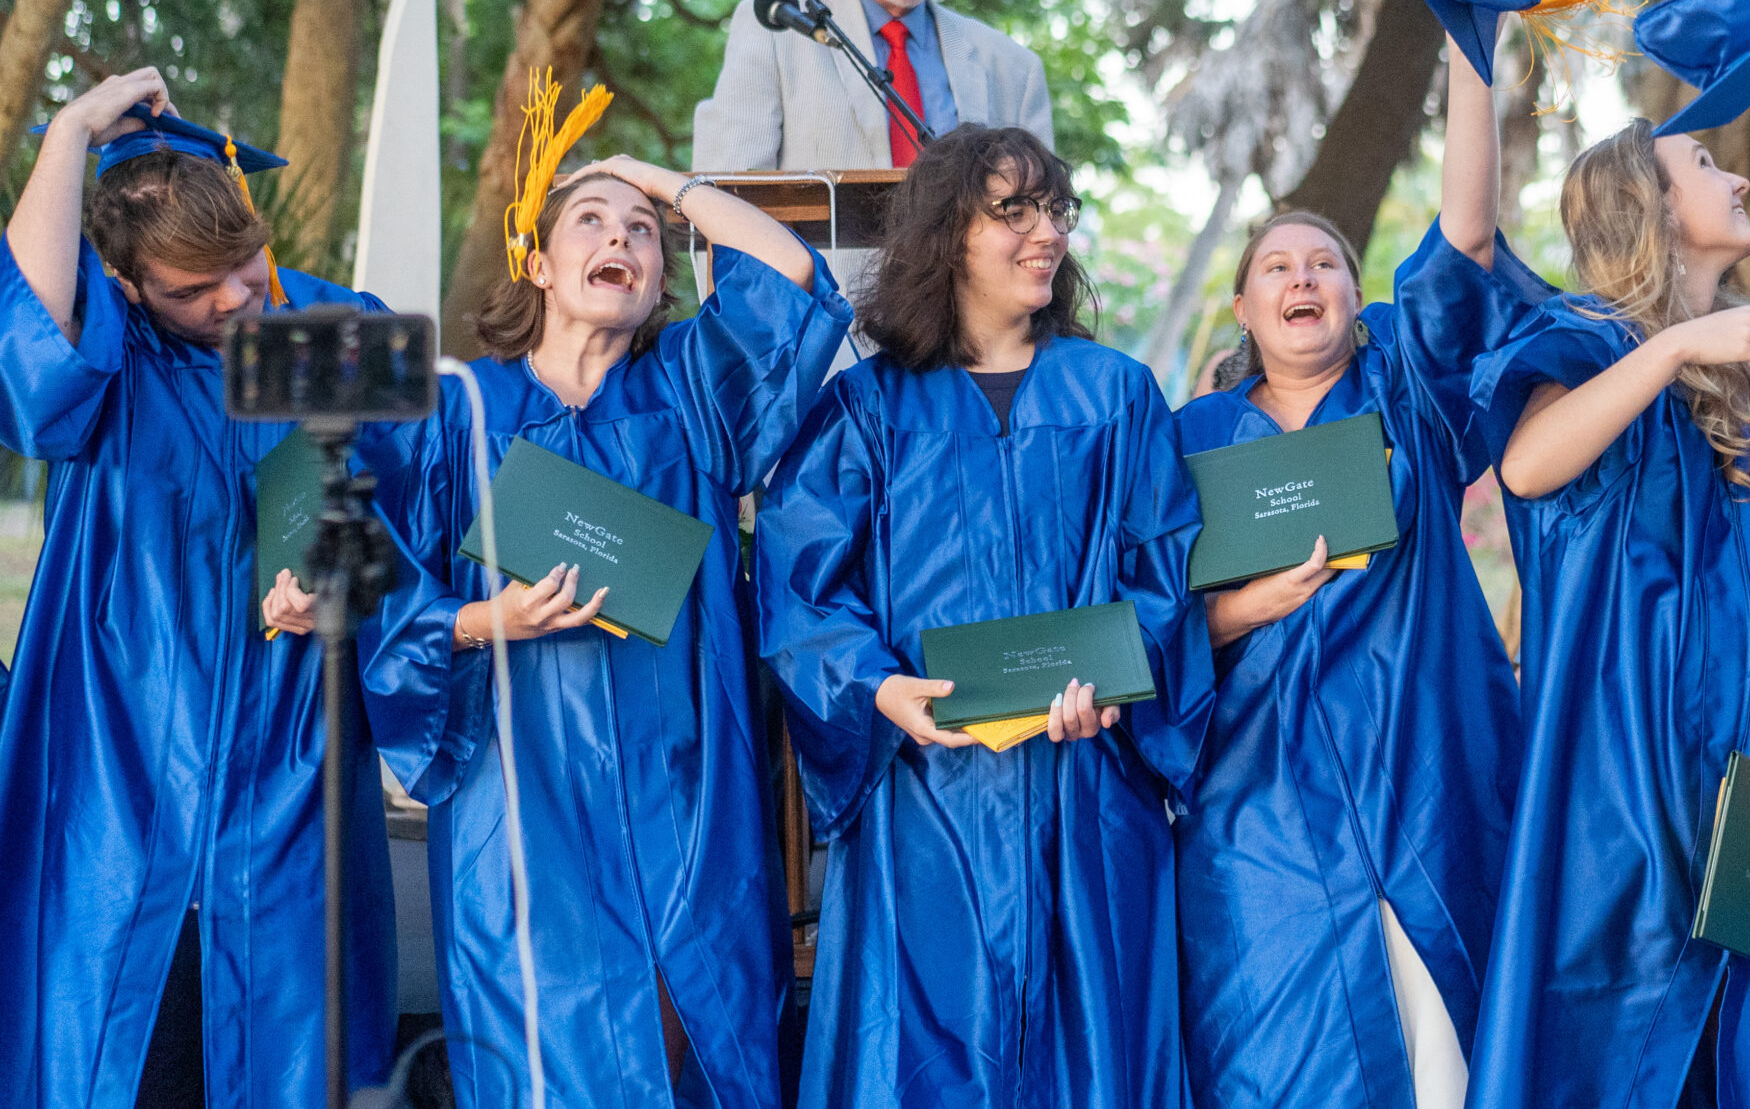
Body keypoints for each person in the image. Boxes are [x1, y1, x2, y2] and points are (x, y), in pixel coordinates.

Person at [358, 71, 851, 1107]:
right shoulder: (462, 407)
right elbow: (368, 575)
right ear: (536, 262)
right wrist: (485, 617)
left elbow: (797, 277)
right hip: (521, 800)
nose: (621, 237)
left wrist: (648, 176)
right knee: (546, 1058)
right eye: (590, 220)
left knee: (697, 1034)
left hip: (686, 787)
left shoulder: (690, 398)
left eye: (643, 232)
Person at [1467, 0, 1750, 1109]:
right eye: (1704, 163)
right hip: (1618, 768)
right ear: (1646, 208)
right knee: (1615, 1048)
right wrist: (1670, 350)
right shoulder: (1587, 339)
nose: (1735, 172)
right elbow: (1527, 467)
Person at [755, 123, 1214, 1109]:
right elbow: (801, 585)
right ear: (947, 234)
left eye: (1054, 210)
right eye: (1014, 210)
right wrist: (876, 687)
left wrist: (1120, 690)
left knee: (1089, 1057)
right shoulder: (868, 409)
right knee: (926, 1056)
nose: (1044, 231)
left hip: (1082, 794)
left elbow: (1163, 576)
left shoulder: (1116, 394)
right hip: (926, 802)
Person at [0, 67, 398, 1107]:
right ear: (127, 288)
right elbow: (30, 380)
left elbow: (409, 499)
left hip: (285, 739)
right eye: (190, 289)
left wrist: (342, 586)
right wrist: (77, 128)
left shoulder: (314, 325)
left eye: (243, 267)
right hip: (125, 723)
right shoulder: (111, 354)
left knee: (276, 1033)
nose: (230, 301)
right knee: (128, 1026)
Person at [1170, 0, 1535, 1109]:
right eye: (1276, 268)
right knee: (1274, 1064)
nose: (1301, 280)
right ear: (1243, 307)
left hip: (1423, 780)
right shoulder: (1187, 445)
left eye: (1324, 264)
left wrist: (1471, 38)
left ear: (1355, 297)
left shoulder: (1408, 402)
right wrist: (1248, 607)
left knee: (1439, 1058)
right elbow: (1153, 622)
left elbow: (1464, 239)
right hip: (1259, 812)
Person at [692, 0, 1053, 289]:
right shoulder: (777, 29)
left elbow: (1044, 222)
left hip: (969, 335)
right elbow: (727, 201)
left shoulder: (1012, 69)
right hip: (829, 333)